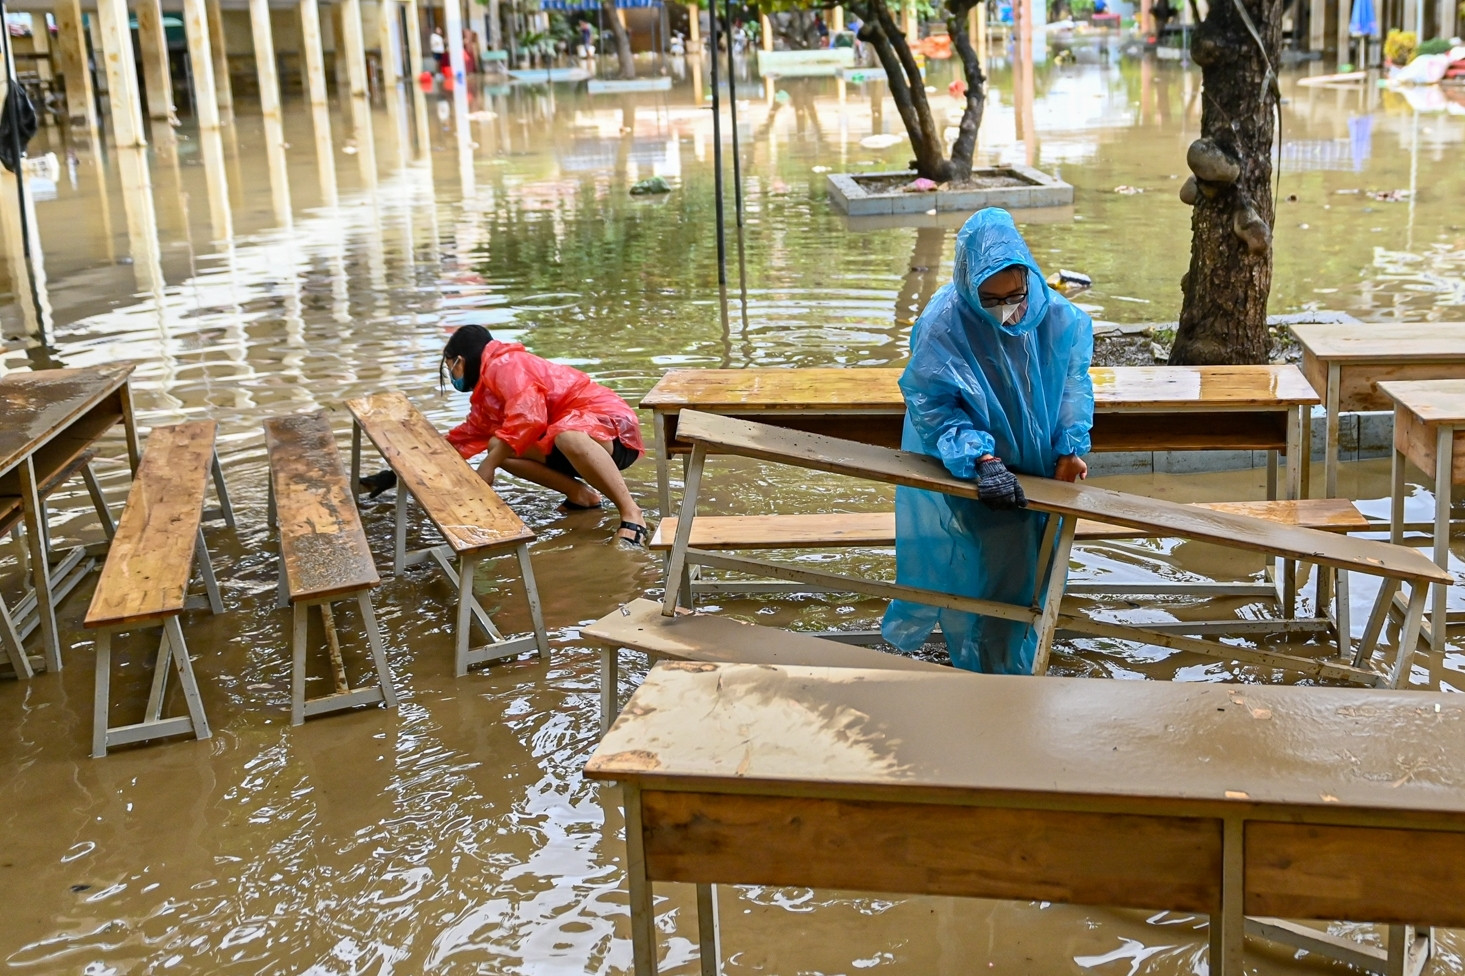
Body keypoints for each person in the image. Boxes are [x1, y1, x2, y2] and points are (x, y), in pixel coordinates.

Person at [881, 208, 1094, 674]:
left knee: (1037, 569)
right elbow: (932, 404)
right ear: (967, 285)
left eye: (1015, 296)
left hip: (1042, 468)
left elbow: (1073, 384)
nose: (1006, 309)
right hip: (980, 472)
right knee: (999, 570)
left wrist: (1070, 447)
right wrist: (980, 457)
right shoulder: (944, 324)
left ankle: (1011, 664)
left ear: (1028, 277)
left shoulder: (1057, 317)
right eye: (991, 299)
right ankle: (997, 677)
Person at [440, 325, 649, 547]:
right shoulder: (486, 390)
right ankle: (581, 496)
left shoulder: (507, 365)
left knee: (567, 437)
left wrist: (488, 466)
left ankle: (631, 513)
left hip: (613, 430)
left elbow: (528, 418)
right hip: (573, 438)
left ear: (459, 361)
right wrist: (424, 455)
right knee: (497, 446)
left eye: (450, 367)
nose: (452, 375)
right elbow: (471, 433)